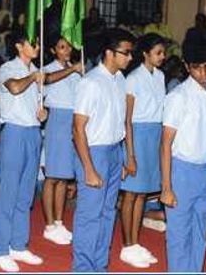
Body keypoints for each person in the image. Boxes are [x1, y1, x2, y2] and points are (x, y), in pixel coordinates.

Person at [71, 28, 134, 272]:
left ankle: (100, 265)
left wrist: (123, 159)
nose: (130, 58)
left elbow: (121, 123)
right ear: (109, 52)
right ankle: (83, 268)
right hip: (93, 152)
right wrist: (88, 168)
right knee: (89, 215)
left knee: (108, 213)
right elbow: (78, 129)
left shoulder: (120, 80)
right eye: (126, 53)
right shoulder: (91, 82)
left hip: (113, 151)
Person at [160, 41, 206, 272]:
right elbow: (166, 143)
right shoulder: (178, 96)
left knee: (200, 231)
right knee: (179, 234)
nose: (203, 73)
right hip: (182, 171)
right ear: (187, 67)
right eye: (197, 68)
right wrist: (166, 187)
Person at [0, 30, 48, 272]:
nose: (36, 46)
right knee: (9, 192)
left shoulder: (36, 71)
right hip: (14, 132)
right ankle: (0, 249)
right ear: (18, 46)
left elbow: (34, 104)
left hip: (33, 132)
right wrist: (33, 78)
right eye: (32, 43)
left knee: (26, 193)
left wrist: (42, 112)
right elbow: (13, 88)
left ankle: (18, 244)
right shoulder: (9, 68)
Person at [119, 33, 166, 268]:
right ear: (145, 54)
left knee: (142, 194)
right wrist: (130, 155)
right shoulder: (133, 79)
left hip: (154, 135)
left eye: (163, 52)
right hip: (136, 136)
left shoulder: (161, 76)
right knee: (130, 193)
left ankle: (135, 242)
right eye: (158, 52)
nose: (162, 57)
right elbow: (127, 120)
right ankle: (127, 245)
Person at [40, 37, 82, 246]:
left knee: (64, 177)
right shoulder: (48, 68)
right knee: (52, 176)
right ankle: (49, 224)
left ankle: (58, 220)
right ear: (53, 50)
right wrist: (73, 69)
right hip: (56, 120)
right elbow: (46, 80)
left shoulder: (76, 71)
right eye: (62, 47)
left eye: (69, 46)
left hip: (72, 121)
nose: (67, 50)